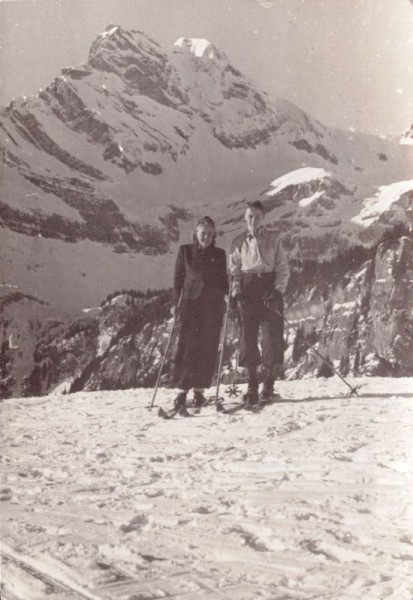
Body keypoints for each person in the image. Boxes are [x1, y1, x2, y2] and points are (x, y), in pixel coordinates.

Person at [229, 200, 290, 404]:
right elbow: (235, 273)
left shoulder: (273, 238)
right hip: (248, 289)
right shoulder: (238, 242)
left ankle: (269, 384)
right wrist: (237, 295)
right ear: (244, 218)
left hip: (269, 288)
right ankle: (252, 383)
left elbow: (282, 268)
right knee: (248, 337)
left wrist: (277, 292)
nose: (252, 220)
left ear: (263, 217)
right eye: (249, 216)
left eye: (256, 216)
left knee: (272, 338)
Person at [171, 216, 228, 409]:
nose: (207, 237)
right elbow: (178, 280)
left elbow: (223, 281)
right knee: (188, 346)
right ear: (196, 233)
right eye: (203, 233)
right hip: (190, 304)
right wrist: (175, 303)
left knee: (207, 347)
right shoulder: (185, 251)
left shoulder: (219, 254)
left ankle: (199, 392)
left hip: (212, 306)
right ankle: (181, 392)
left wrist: (229, 296)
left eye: (210, 234)